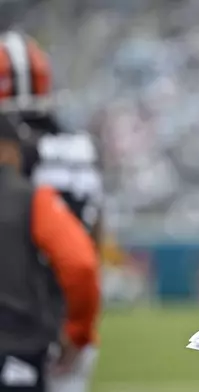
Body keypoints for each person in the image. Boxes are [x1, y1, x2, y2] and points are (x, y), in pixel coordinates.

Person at [0, 30, 102, 392]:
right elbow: (89, 241)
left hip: (22, 319)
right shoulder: (79, 145)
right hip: (67, 312)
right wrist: (81, 325)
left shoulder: (16, 150)